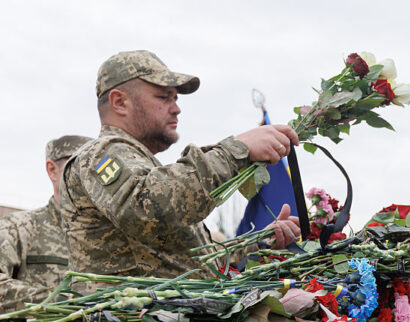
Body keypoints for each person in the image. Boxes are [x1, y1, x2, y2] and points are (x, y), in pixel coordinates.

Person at [60, 50, 300, 285]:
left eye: (175, 98)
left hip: (163, 318)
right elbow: (147, 207)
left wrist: (258, 242)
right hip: (129, 321)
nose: (176, 108)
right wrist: (236, 150)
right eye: (164, 97)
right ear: (120, 102)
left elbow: (188, 257)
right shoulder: (99, 156)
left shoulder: (145, 167)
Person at [0, 135, 92, 322]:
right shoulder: (19, 228)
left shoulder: (112, 238)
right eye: (78, 166)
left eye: (94, 168)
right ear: (52, 170)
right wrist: (61, 302)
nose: (88, 176)